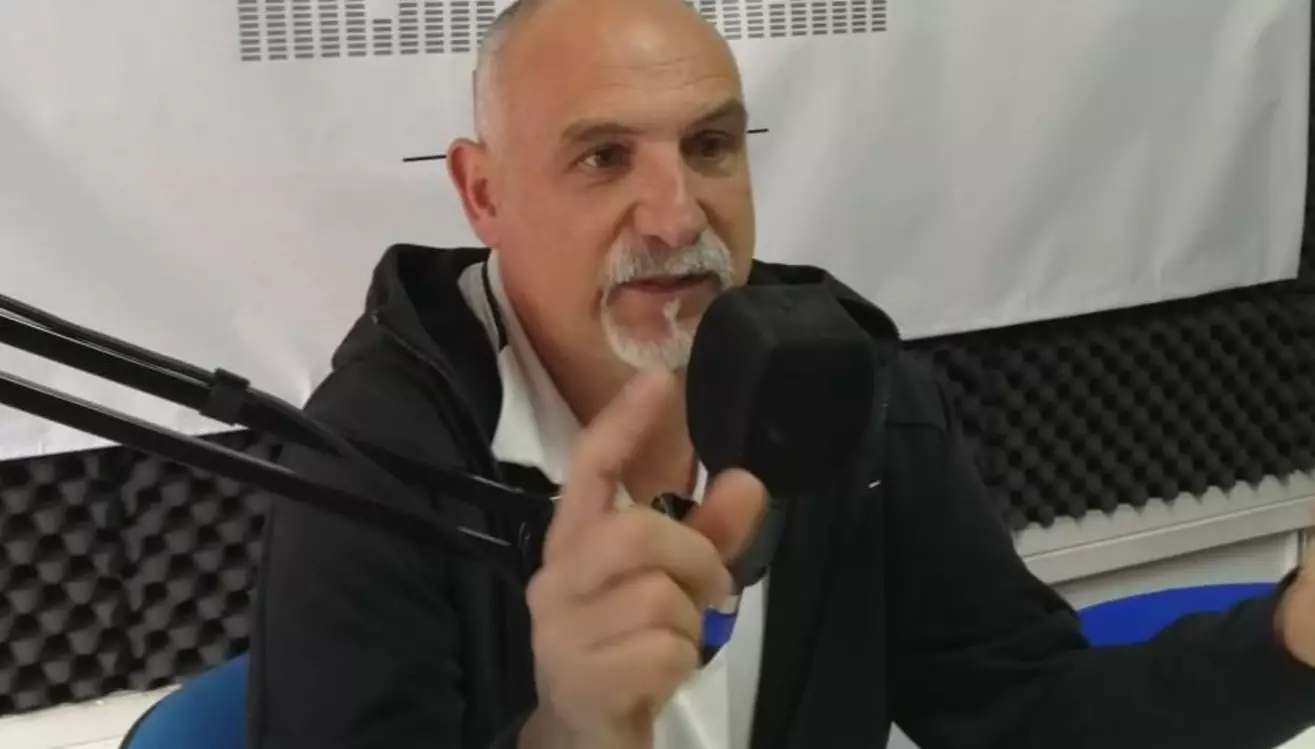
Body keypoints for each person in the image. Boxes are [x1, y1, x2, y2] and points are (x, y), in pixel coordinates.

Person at [245, 0, 1315, 746]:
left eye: (709, 146)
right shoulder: (367, 462)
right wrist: (567, 733)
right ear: (482, 192)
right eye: (602, 158)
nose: (677, 216)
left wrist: (1292, 641)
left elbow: (1025, 712)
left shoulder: (852, 388)